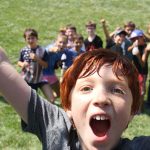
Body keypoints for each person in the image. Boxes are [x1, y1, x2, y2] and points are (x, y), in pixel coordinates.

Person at [1, 47, 150, 149]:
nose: (101, 98)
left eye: (117, 90)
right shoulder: (56, 129)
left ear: (132, 111)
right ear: (68, 107)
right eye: (86, 88)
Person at [17, 28, 54, 102]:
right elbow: (19, 62)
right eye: (28, 38)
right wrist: (22, 64)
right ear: (25, 40)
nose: (31, 40)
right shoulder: (23, 50)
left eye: (33, 38)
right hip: (27, 80)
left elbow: (46, 65)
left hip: (40, 79)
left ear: (37, 38)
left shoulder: (42, 50)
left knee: (51, 99)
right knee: (30, 101)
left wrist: (38, 59)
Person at [43, 34, 68, 100]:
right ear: (56, 42)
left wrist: (58, 63)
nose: (62, 44)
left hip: (51, 74)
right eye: (60, 42)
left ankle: (48, 101)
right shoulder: (51, 47)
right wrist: (54, 49)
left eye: (64, 43)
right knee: (52, 99)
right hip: (43, 75)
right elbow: (48, 50)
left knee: (59, 93)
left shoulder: (62, 52)